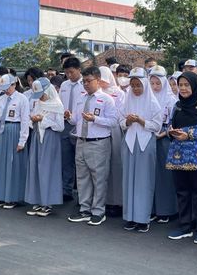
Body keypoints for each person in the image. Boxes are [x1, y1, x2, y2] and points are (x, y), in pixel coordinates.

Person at [165, 72, 197, 245]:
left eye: (187, 85)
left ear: (194, 85)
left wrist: (188, 134)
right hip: (178, 156)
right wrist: (171, 132)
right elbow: (170, 125)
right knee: (182, 192)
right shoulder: (178, 105)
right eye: (180, 85)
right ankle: (185, 226)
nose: (183, 88)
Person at [67, 66, 118, 226]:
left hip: (98, 142)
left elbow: (113, 122)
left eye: (89, 81)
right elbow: (76, 120)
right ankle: (84, 209)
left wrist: (95, 119)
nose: (86, 84)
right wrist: (69, 117)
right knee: (82, 177)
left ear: (98, 80)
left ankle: (98, 211)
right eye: (84, 81)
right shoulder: (81, 98)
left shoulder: (106, 99)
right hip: (81, 140)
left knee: (99, 178)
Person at [119, 67, 162, 232]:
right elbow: (120, 122)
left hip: (146, 143)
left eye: (138, 85)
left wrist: (141, 121)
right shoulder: (127, 100)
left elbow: (157, 127)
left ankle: (143, 218)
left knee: (144, 180)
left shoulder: (152, 102)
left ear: (144, 85)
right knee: (129, 179)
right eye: (133, 85)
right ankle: (130, 217)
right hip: (129, 142)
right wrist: (129, 121)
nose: (136, 89)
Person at [24, 77, 65, 216]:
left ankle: (48, 202)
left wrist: (43, 119)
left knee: (48, 169)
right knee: (35, 167)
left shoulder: (57, 105)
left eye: (42, 93)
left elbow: (60, 126)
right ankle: (37, 199)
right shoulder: (38, 103)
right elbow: (33, 118)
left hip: (50, 138)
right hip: (37, 136)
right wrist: (34, 119)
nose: (40, 97)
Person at [0, 74, 30, 209]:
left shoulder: (22, 99)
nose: (5, 90)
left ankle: (13, 197)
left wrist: (22, 140)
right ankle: (0, 196)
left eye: (8, 87)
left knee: (13, 165)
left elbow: (25, 120)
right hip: (2, 131)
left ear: (14, 85)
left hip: (14, 131)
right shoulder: (1, 99)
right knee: (1, 164)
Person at [150, 66, 178, 223]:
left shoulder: (171, 99)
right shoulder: (148, 97)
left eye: (158, 83)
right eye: (152, 83)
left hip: (165, 140)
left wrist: (162, 134)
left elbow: (173, 123)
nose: (155, 86)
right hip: (149, 139)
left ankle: (166, 210)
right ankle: (154, 209)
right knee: (152, 175)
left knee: (165, 176)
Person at [99, 66, 125, 216]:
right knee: (102, 167)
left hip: (115, 131)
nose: (102, 83)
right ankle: (104, 201)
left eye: (104, 79)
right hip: (100, 129)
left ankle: (117, 201)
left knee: (116, 166)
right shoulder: (97, 94)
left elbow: (120, 112)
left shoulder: (119, 93)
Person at [59, 57, 84, 202]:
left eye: (72, 72)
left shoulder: (85, 85)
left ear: (79, 70)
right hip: (65, 124)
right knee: (66, 159)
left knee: (80, 161)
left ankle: (82, 193)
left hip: (80, 123)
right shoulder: (64, 85)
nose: (69, 75)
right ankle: (66, 190)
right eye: (67, 73)